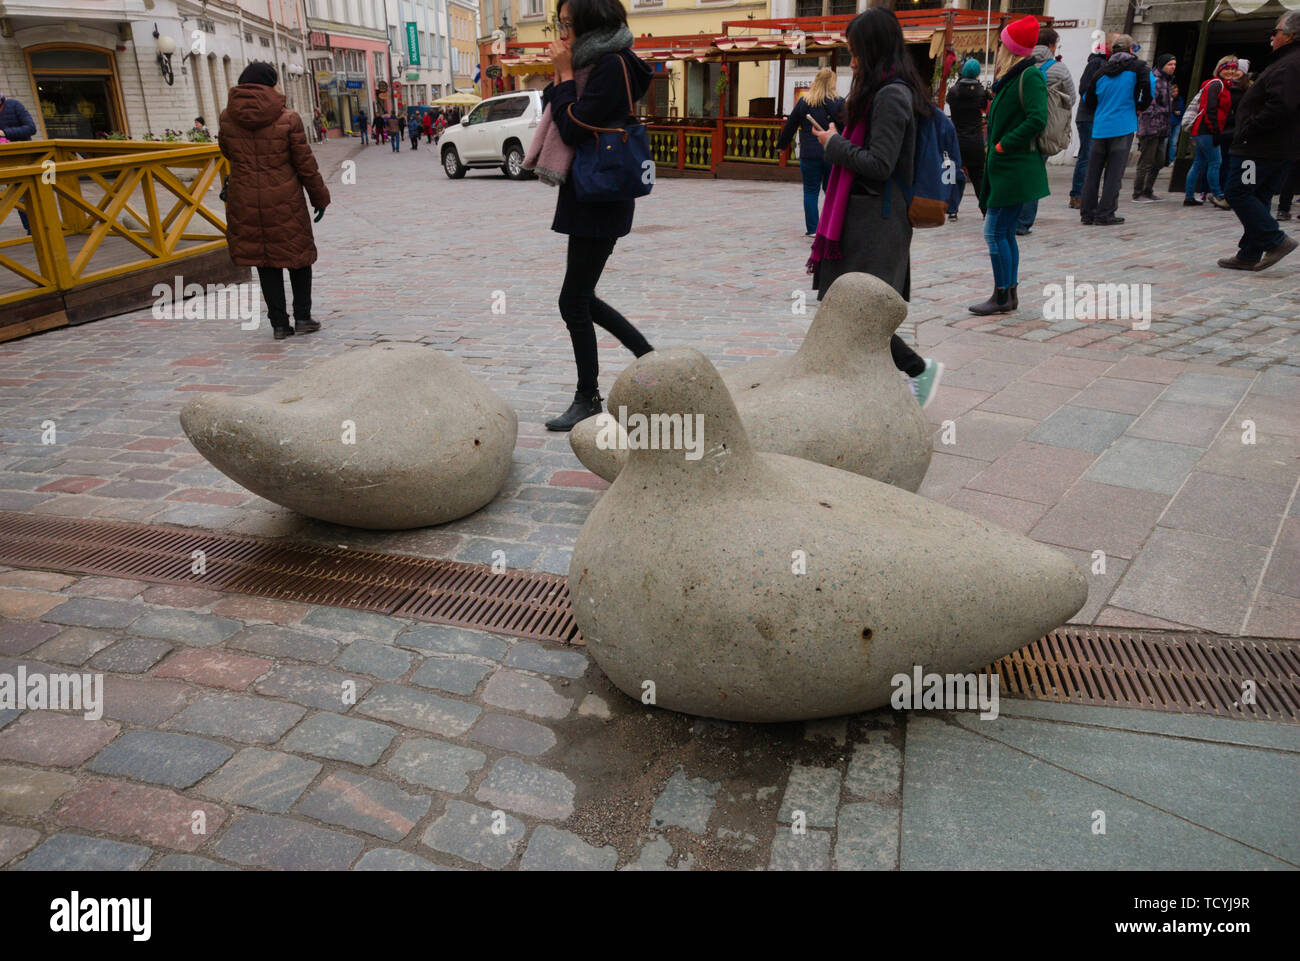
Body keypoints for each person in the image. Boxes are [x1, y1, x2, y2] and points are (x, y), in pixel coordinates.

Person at [529, 0, 656, 431]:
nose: (562, 32)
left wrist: (565, 75)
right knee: (579, 297)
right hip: (590, 192)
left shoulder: (609, 65)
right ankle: (649, 359)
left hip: (601, 194)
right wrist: (562, 76)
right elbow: (562, 107)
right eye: (560, 23)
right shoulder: (598, 62)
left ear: (589, 23)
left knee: (574, 300)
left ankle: (589, 397)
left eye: (567, 24)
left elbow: (573, 126)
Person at [807, 8, 943, 407]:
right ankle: (863, 390)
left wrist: (834, 145)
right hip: (863, 219)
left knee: (861, 314)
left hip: (877, 223)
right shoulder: (883, 94)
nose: (852, 61)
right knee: (847, 310)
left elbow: (880, 165)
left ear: (874, 50)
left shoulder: (892, 96)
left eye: (856, 52)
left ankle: (918, 369)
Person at [219, 62, 330, 341]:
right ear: (271, 84)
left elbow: (227, 151)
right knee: (299, 257)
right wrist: (320, 197)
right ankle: (303, 317)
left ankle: (279, 324)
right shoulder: (288, 118)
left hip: (244, 198)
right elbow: (305, 164)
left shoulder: (227, 117)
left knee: (264, 260)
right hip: (285, 198)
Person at [970, 14, 1048, 316]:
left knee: (994, 232)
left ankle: (1002, 295)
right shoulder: (1015, 76)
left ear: (1010, 48)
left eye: (1002, 44)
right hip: (1006, 166)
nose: (998, 49)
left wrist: (1003, 144)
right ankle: (1008, 293)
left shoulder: (1030, 76)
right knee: (1004, 233)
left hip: (1013, 166)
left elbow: (1036, 119)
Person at [1218, 11, 1300, 270]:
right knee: (1258, 194)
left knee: (1239, 191)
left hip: (1259, 147)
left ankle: (1275, 240)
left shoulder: (1290, 63)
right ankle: (1249, 253)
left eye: (1275, 32)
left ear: (1289, 36)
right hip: (1275, 146)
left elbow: (1281, 104)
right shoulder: (1288, 61)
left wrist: (1250, 127)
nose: (1272, 38)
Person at [1080, 34, 1152, 225]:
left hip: (1100, 127)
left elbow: (1088, 99)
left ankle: (1087, 213)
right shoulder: (1138, 68)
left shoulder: (1101, 72)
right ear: (1131, 50)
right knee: (1114, 173)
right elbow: (1150, 91)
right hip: (1123, 125)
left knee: (1092, 173)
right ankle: (1105, 213)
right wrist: (1140, 105)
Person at [1017, 26, 1075, 234]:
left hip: (1019, 126)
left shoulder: (1020, 64)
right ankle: (1024, 223)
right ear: (1052, 45)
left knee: (1018, 173)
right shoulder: (1059, 68)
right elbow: (1071, 99)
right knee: (1034, 174)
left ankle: (1010, 218)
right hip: (1045, 129)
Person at [775, 68, 845, 237]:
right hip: (831, 152)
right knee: (831, 191)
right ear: (832, 83)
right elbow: (845, 127)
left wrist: (781, 145)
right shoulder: (838, 102)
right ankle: (831, 226)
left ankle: (813, 229)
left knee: (810, 191)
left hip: (809, 152)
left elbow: (790, 124)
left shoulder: (804, 101)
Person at [1184, 57, 1239, 208]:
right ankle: (1218, 196)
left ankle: (1189, 196)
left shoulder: (1222, 85)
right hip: (1206, 130)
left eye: (1233, 69)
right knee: (1215, 163)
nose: (1230, 71)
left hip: (1204, 130)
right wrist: (1215, 130)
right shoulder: (1216, 84)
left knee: (1199, 163)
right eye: (1227, 68)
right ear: (1219, 69)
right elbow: (1210, 109)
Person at [1070, 38, 1110, 209]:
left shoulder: (1102, 63)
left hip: (1094, 117)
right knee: (1087, 155)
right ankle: (1078, 194)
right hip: (1089, 117)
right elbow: (1084, 89)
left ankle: (1084, 192)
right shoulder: (1096, 63)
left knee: (1092, 156)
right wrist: (1097, 104)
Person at [947, 59, 991, 210]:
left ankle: (952, 209)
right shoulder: (981, 92)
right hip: (975, 140)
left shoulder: (953, 92)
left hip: (957, 139)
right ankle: (985, 210)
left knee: (953, 175)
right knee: (978, 176)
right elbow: (985, 107)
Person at [1133, 54, 1176, 201]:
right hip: (1151, 127)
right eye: (1170, 64)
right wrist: (1152, 125)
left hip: (1162, 128)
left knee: (1159, 160)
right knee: (1146, 161)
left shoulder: (1167, 81)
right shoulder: (1155, 80)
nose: (1173, 67)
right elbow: (1149, 105)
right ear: (1162, 65)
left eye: (1174, 64)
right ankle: (1138, 192)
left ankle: (1148, 189)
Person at [0, 90, 37, 233]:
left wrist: (5, 133)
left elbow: (30, 128)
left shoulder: (14, 105)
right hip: (5, 161)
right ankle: (31, 228)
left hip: (24, 158)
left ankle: (36, 227)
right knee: (17, 196)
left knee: (31, 193)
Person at [1167, 82, 1184, 165]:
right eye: (1174, 91)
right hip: (1168, 122)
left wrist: (1177, 112)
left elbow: (1182, 109)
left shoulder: (1179, 99)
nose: (1175, 93)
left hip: (1177, 121)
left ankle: (1171, 160)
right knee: (1165, 141)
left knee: (1174, 142)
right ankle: (1162, 160)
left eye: (1177, 91)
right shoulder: (1167, 99)